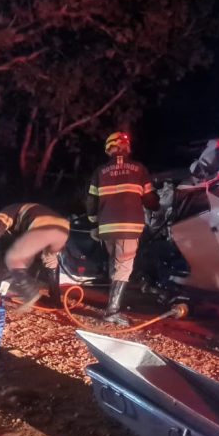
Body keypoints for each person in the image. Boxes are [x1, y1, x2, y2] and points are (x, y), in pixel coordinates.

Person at [87, 132, 160, 325]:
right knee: (123, 268)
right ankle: (112, 312)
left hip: (106, 229)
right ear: (127, 148)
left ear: (109, 148)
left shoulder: (100, 171)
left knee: (116, 263)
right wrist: (157, 203)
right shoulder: (139, 169)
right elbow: (150, 200)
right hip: (128, 227)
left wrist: (94, 222)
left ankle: (113, 305)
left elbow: (91, 202)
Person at [0, 203, 70, 309]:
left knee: (13, 260)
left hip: (43, 226)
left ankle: (30, 293)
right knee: (51, 261)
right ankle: (55, 300)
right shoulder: (22, 213)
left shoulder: (6, 213)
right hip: (63, 228)